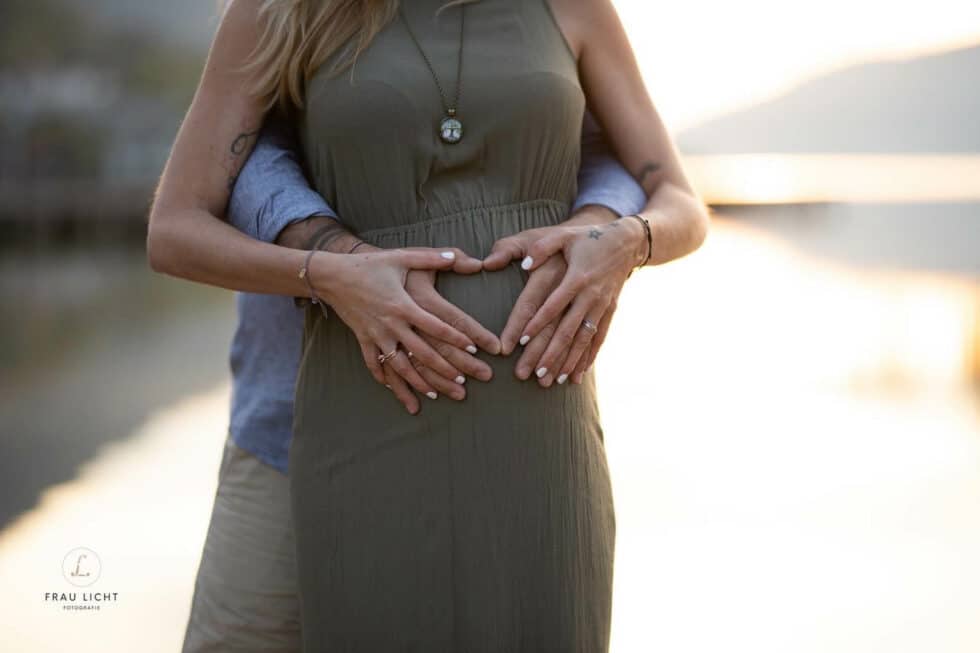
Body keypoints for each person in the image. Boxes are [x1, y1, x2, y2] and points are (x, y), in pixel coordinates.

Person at [148, 1, 709, 651]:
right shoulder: (283, 10)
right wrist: (328, 272)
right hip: (341, 416)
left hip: (538, 434)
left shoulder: (573, 9)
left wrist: (623, 243)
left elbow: (670, 193)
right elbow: (182, 222)